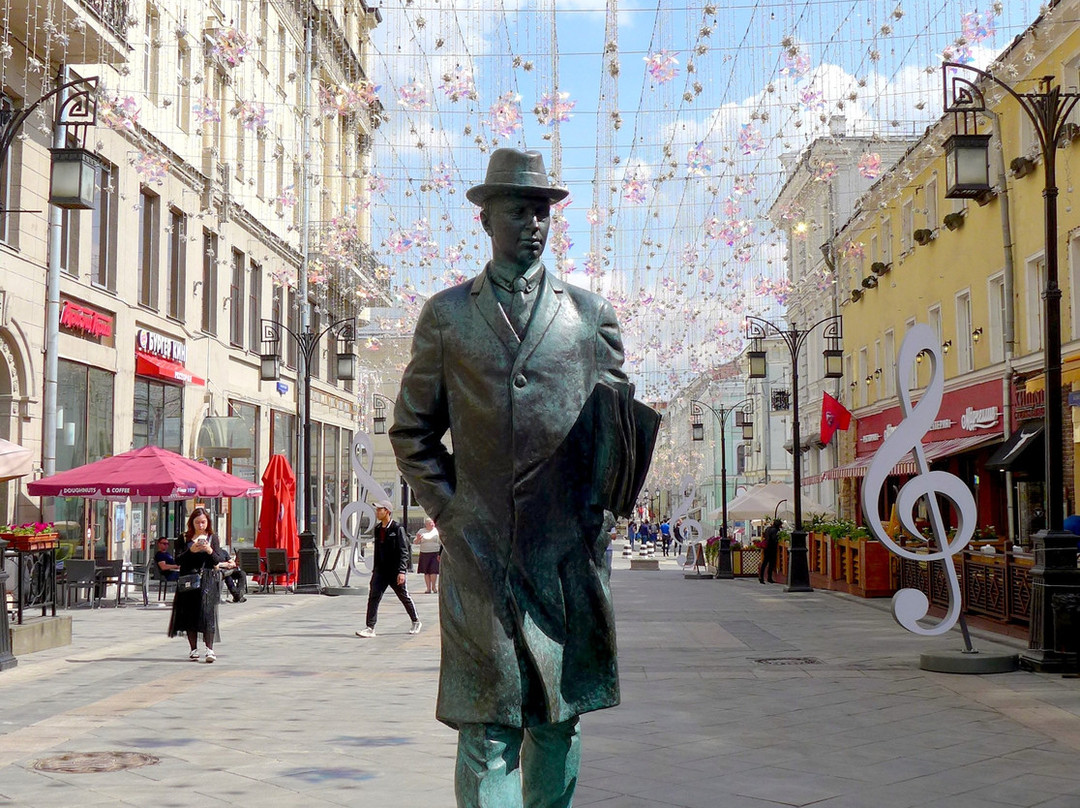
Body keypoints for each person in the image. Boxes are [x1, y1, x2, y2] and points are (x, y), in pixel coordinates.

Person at [391, 148, 657, 808]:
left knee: (557, 722)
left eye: (543, 211)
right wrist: (450, 512)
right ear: (485, 219)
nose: (534, 223)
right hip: (480, 553)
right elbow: (412, 433)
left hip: (565, 555)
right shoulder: (448, 316)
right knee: (487, 726)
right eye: (519, 210)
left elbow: (614, 432)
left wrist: (606, 508)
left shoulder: (591, 316)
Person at [167, 507, 229, 662]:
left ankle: (209, 649)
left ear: (207, 522)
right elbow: (178, 560)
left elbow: (217, 560)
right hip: (188, 578)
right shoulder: (184, 538)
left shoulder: (212, 538)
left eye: (203, 522)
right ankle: (193, 649)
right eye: (197, 522)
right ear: (192, 523)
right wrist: (191, 550)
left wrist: (209, 550)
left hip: (207, 578)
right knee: (190, 614)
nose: (200, 526)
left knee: (208, 614)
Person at [355, 499, 421, 638]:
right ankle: (370, 627)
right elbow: (378, 550)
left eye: (380, 509)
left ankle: (415, 621)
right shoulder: (378, 529)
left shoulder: (397, 528)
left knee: (403, 596)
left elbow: (404, 551)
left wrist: (402, 571)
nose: (377, 512)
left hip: (395, 571)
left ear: (387, 511)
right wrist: (375, 570)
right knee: (373, 597)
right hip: (380, 571)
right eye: (377, 510)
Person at [414, 516, 441, 594]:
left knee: (433, 570)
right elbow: (415, 542)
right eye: (430, 523)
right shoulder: (421, 531)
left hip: (435, 552)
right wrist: (418, 539)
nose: (432, 525)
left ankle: (434, 587)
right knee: (426, 572)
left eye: (432, 523)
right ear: (426, 524)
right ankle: (428, 588)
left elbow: (441, 541)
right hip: (424, 552)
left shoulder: (437, 531)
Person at [759, 518, 782, 584]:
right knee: (771, 563)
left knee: (764, 563)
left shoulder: (768, 529)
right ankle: (769, 578)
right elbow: (774, 538)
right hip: (772, 548)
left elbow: (765, 536)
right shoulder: (775, 530)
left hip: (766, 548)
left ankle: (761, 577)